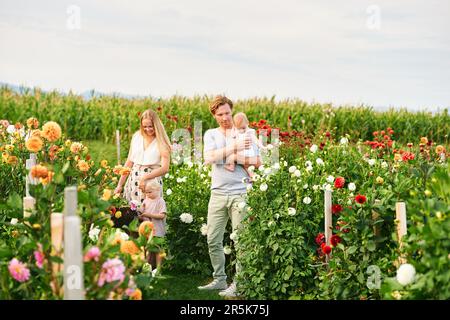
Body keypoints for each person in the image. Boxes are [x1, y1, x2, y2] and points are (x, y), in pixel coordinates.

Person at [198, 96, 261, 298]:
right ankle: (219, 279)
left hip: (240, 193)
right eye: (220, 114)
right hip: (217, 193)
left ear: (231, 111)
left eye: (227, 113)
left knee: (241, 241)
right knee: (213, 239)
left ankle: (239, 284)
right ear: (214, 116)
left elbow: (258, 161)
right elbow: (209, 158)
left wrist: (233, 157)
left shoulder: (245, 133)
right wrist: (233, 149)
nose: (225, 117)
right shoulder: (210, 134)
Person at [114, 109, 171, 204]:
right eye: (144, 126)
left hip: (151, 184)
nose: (147, 129)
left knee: (149, 211)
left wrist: (145, 178)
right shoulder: (137, 136)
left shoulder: (161, 141)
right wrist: (120, 185)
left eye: (150, 126)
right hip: (133, 181)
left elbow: (165, 168)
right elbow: (129, 161)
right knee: (132, 213)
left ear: (156, 125)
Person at [223, 112, 265, 177]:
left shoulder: (250, 132)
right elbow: (232, 136)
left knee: (247, 165)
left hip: (249, 153)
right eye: (239, 128)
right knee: (245, 166)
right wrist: (234, 129)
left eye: (243, 128)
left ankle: (253, 175)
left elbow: (256, 140)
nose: (242, 130)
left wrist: (262, 146)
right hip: (241, 153)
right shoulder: (236, 132)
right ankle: (252, 175)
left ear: (247, 123)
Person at [138, 179, 167, 269]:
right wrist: (140, 211)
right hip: (147, 230)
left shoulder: (160, 201)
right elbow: (142, 212)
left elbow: (162, 215)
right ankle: (148, 267)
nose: (147, 194)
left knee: (158, 249)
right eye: (146, 193)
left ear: (157, 190)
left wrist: (149, 215)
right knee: (148, 249)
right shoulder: (146, 200)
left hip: (157, 230)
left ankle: (158, 268)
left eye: (150, 192)